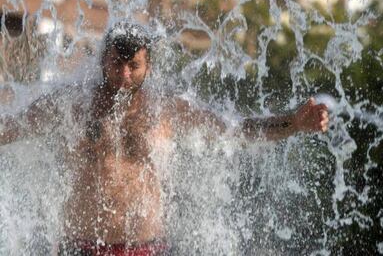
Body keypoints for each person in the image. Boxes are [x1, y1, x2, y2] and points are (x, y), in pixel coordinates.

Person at [0, 21, 329, 255]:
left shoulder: (165, 109)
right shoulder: (71, 104)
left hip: (146, 248)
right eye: (117, 64)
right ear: (103, 61)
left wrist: (294, 124)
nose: (125, 75)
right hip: (82, 247)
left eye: (134, 66)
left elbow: (236, 130)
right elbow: (10, 129)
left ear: (148, 66)